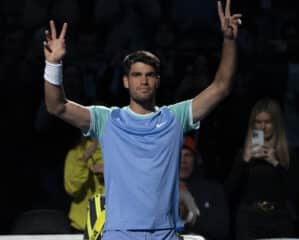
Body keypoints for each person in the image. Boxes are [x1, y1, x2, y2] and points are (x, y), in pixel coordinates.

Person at [42, 0, 241, 239]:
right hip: (119, 234)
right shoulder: (107, 119)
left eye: (149, 75)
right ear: (126, 81)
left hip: (164, 234)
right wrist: (53, 64)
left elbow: (221, 87)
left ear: (157, 80)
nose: (143, 81)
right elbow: (56, 106)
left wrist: (229, 41)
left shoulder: (174, 118)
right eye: (136, 75)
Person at [224, 97, 294, 240]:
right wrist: (245, 160)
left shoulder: (287, 154)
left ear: (276, 124)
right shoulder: (243, 155)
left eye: (267, 122)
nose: (262, 127)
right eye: (258, 122)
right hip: (249, 219)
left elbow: (295, 192)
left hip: (279, 219)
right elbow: (229, 190)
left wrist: (275, 163)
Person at [179, 135, 230, 240]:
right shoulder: (161, 191)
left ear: (196, 160)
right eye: (178, 156)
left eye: (187, 155)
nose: (183, 160)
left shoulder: (213, 190)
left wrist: (191, 216)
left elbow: (221, 229)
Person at [64, 136, 105, 232]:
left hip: (115, 227)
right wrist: (84, 160)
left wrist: (111, 172)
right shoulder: (75, 154)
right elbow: (71, 188)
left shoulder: (123, 152)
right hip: (82, 226)